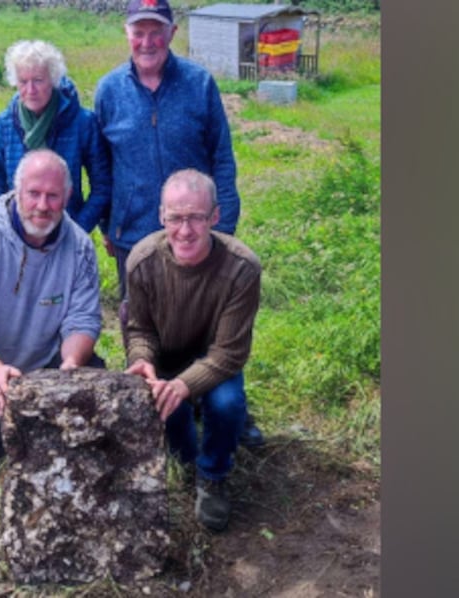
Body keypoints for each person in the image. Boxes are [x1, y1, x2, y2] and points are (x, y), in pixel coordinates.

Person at [94, 0, 264, 447]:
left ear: (172, 33)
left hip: (196, 228)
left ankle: (228, 410)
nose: (147, 41)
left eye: (156, 31)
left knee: (214, 322)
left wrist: (221, 226)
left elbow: (222, 157)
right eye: (139, 31)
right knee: (144, 325)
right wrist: (108, 224)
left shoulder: (199, 84)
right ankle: (163, 403)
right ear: (127, 34)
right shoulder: (109, 90)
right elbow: (103, 167)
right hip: (134, 234)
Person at [0, 149, 104, 475]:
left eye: (53, 196)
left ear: (68, 196)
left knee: (84, 441)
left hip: (49, 361)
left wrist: (72, 363)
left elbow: (83, 319)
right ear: (17, 192)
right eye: (33, 194)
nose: (42, 206)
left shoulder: (80, 247)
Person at [124, 169, 261, 531]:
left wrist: (184, 387)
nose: (185, 230)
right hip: (165, 359)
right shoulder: (141, 261)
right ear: (161, 216)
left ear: (215, 216)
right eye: (175, 218)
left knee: (226, 404)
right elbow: (139, 330)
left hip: (214, 360)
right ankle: (188, 459)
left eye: (196, 218)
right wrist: (141, 361)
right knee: (175, 433)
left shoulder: (242, 267)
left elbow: (228, 354)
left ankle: (214, 474)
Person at [0, 39, 111, 233]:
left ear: (52, 79)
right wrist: (10, 224)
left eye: (38, 80)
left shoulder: (83, 122)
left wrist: (78, 229)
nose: (30, 90)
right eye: (23, 82)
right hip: (17, 233)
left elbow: (102, 184)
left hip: (67, 230)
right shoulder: (4, 124)